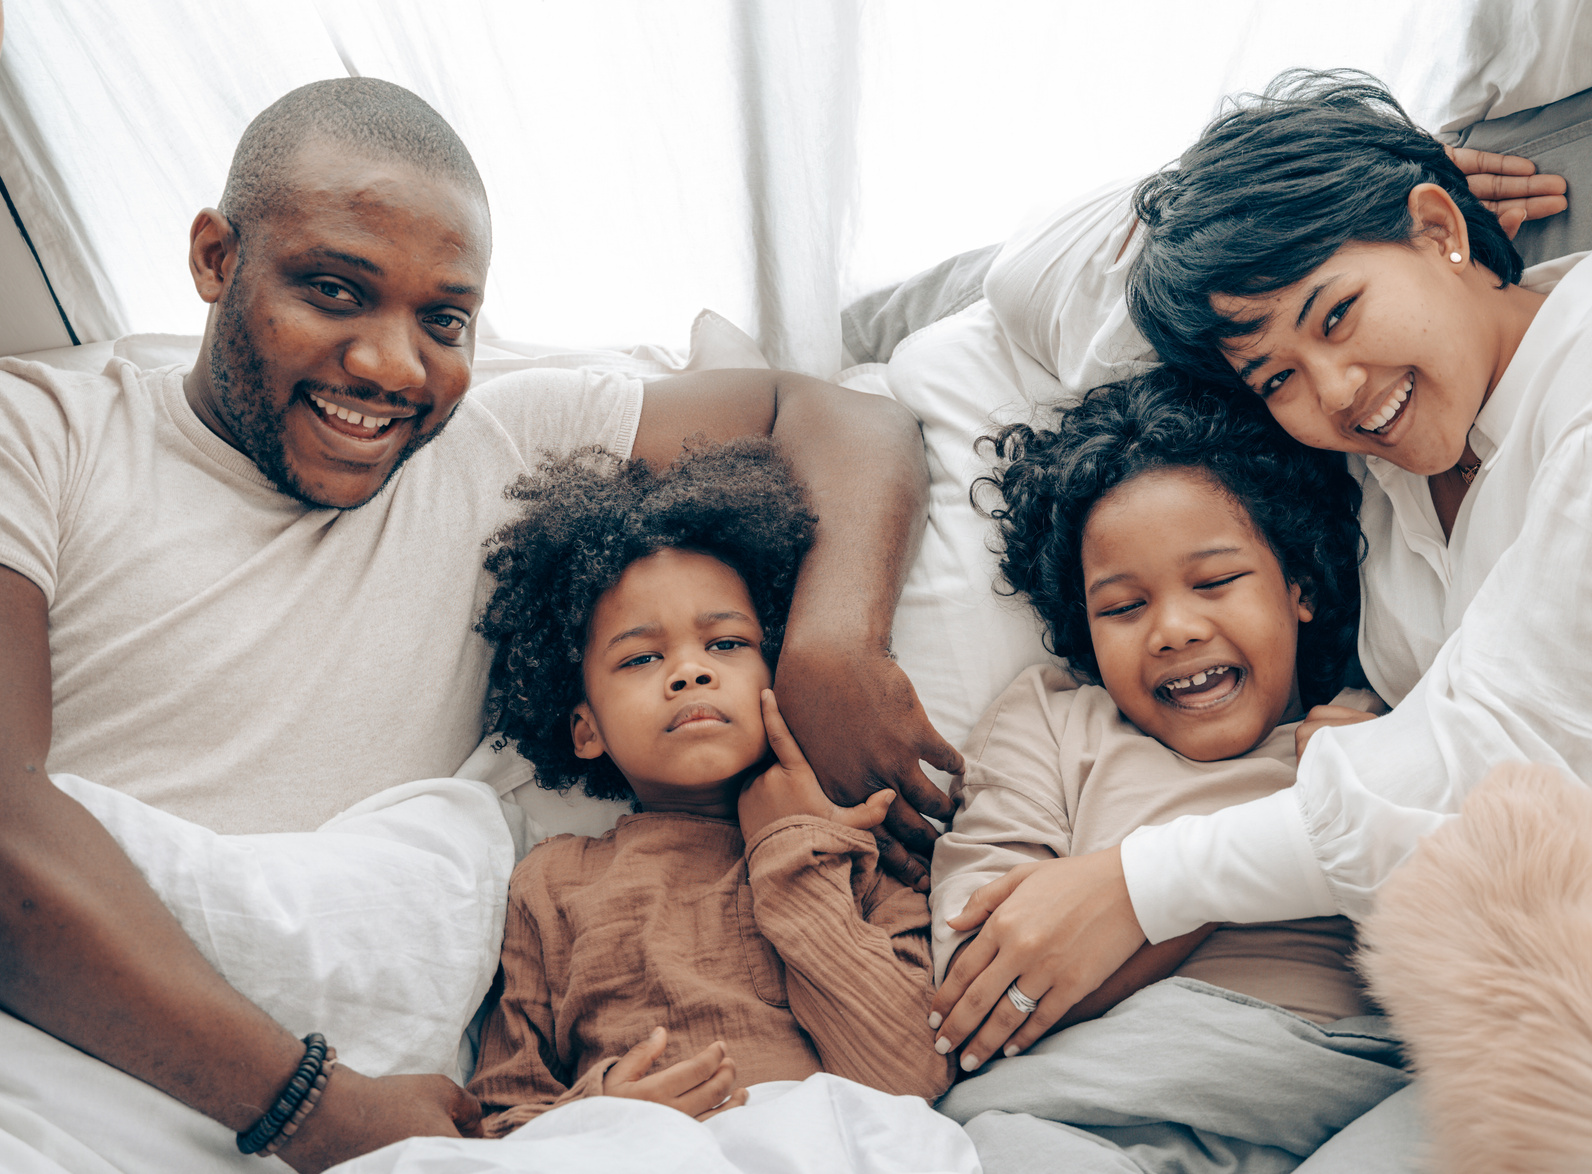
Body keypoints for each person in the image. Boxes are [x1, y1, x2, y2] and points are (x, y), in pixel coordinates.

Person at [0, 78, 958, 1171]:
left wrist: (832, 646)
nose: (393, 365)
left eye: (444, 319)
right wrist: (312, 1107)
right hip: (81, 1071)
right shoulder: (43, 431)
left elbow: (832, 413)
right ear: (217, 258)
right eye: (333, 289)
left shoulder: (497, 444)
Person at [929, 65, 1592, 1118]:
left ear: (1438, 232)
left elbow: (1504, 770)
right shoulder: (1385, 475)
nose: (1331, 394)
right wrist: (1285, 210)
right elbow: (1046, 304)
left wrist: (1137, 885)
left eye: (1337, 314)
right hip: (1541, 927)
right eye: (1276, 377)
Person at [926, 372, 1414, 1173]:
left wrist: (1359, 796)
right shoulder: (1051, 720)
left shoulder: (1379, 726)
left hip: (1332, 1093)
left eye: (1216, 582)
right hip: (1079, 1113)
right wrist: (1249, 860)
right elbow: (983, 988)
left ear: (1296, 583)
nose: (1174, 630)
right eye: (1121, 607)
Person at [464, 438, 953, 1135]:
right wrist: (604, 1109)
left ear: (777, 668)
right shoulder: (551, 883)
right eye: (640, 657)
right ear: (584, 729)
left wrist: (791, 854)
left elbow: (910, 1075)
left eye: (725, 645)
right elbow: (502, 1118)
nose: (689, 672)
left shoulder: (856, 849)